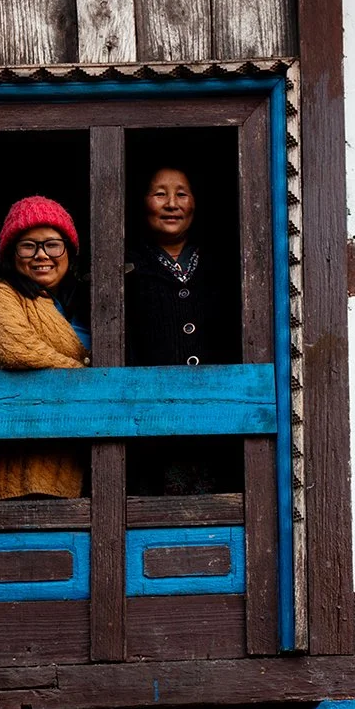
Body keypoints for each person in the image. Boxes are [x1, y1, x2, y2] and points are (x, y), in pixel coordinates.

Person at [125, 166, 240, 495]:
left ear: (196, 203)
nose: (171, 203)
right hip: (149, 419)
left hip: (220, 420)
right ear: (142, 202)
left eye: (182, 193)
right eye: (159, 193)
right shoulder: (124, 266)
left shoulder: (224, 264)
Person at [0, 196, 90, 500]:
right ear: (11, 254)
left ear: (69, 250)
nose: (42, 255)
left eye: (52, 244)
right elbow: (17, 349)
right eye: (28, 245)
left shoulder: (88, 302)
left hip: (84, 452)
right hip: (25, 462)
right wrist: (89, 376)